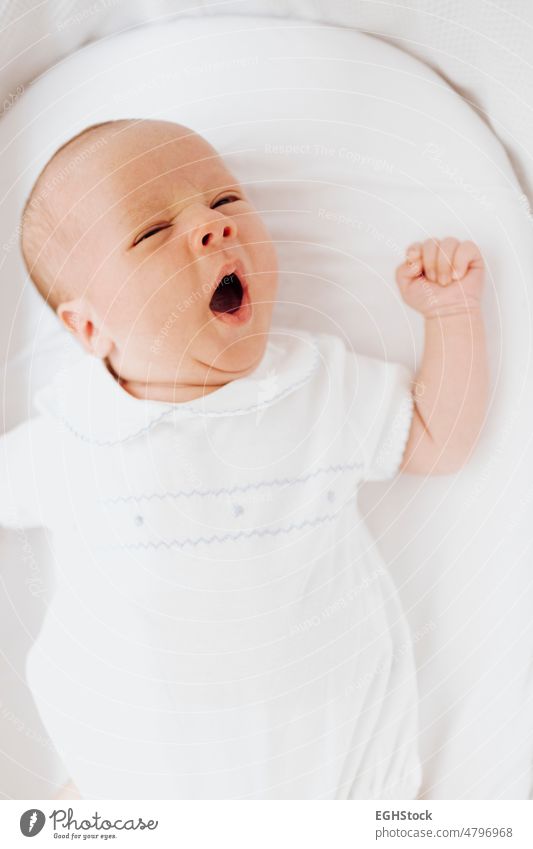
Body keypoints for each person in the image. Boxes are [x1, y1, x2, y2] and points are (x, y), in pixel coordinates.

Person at [6, 119, 487, 799]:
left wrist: (450, 314)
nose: (212, 225)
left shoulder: (314, 386)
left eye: (225, 201)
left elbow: (439, 440)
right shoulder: (71, 432)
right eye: (150, 232)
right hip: (137, 781)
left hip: (329, 771)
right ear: (88, 327)